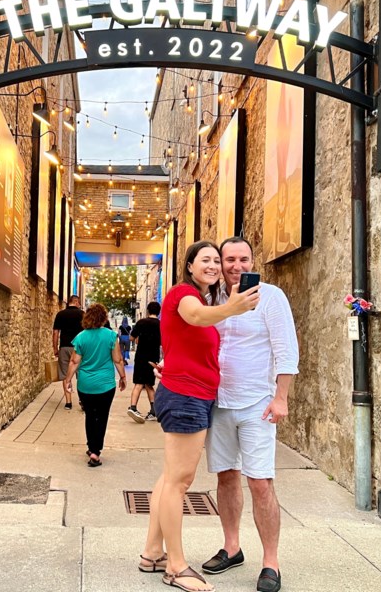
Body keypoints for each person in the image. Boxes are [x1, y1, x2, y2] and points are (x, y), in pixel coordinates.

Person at [139, 240, 259, 592]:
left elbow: (188, 338)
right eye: (204, 260)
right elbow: (193, 317)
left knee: (169, 478)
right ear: (189, 266)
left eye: (215, 261)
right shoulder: (181, 294)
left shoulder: (206, 300)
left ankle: (151, 552)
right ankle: (176, 567)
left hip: (191, 393)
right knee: (180, 483)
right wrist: (234, 307)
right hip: (186, 396)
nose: (212, 265)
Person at [200, 237, 299, 592]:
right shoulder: (211, 298)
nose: (236, 265)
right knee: (226, 478)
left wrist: (281, 397)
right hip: (218, 402)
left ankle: (270, 561)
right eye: (229, 259)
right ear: (220, 263)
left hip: (257, 404)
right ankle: (232, 546)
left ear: (253, 261)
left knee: (260, 482)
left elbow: (286, 349)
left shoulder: (270, 297)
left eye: (243, 259)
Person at [65, 303, 127, 467]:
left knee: (90, 416)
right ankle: (95, 451)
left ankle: (91, 446)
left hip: (85, 385)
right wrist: (122, 377)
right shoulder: (111, 336)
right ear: (104, 318)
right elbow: (118, 360)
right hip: (105, 385)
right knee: (102, 416)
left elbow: (74, 361)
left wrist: (68, 380)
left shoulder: (81, 337)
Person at [127, 302, 162, 423]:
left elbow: (131, 338)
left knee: (138, 382)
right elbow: (163, 342)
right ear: (159, 311)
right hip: (153, 357)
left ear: (147, 311)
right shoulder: (161, 325)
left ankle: (133, 407)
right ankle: (153, 410)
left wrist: (139, 337)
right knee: (149, 384)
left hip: (141, 356)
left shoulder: (141, 322)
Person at [53, 295, 84, 410]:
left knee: (66, 375)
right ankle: (82, 400)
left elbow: (55, 333)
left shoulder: (60, 314)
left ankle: (68, 402)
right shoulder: (83, 314)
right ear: (76, 302)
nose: (79, 305)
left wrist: (55, 348)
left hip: (65, 347)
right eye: (79, 302)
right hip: (79, 348)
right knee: (81, 374)